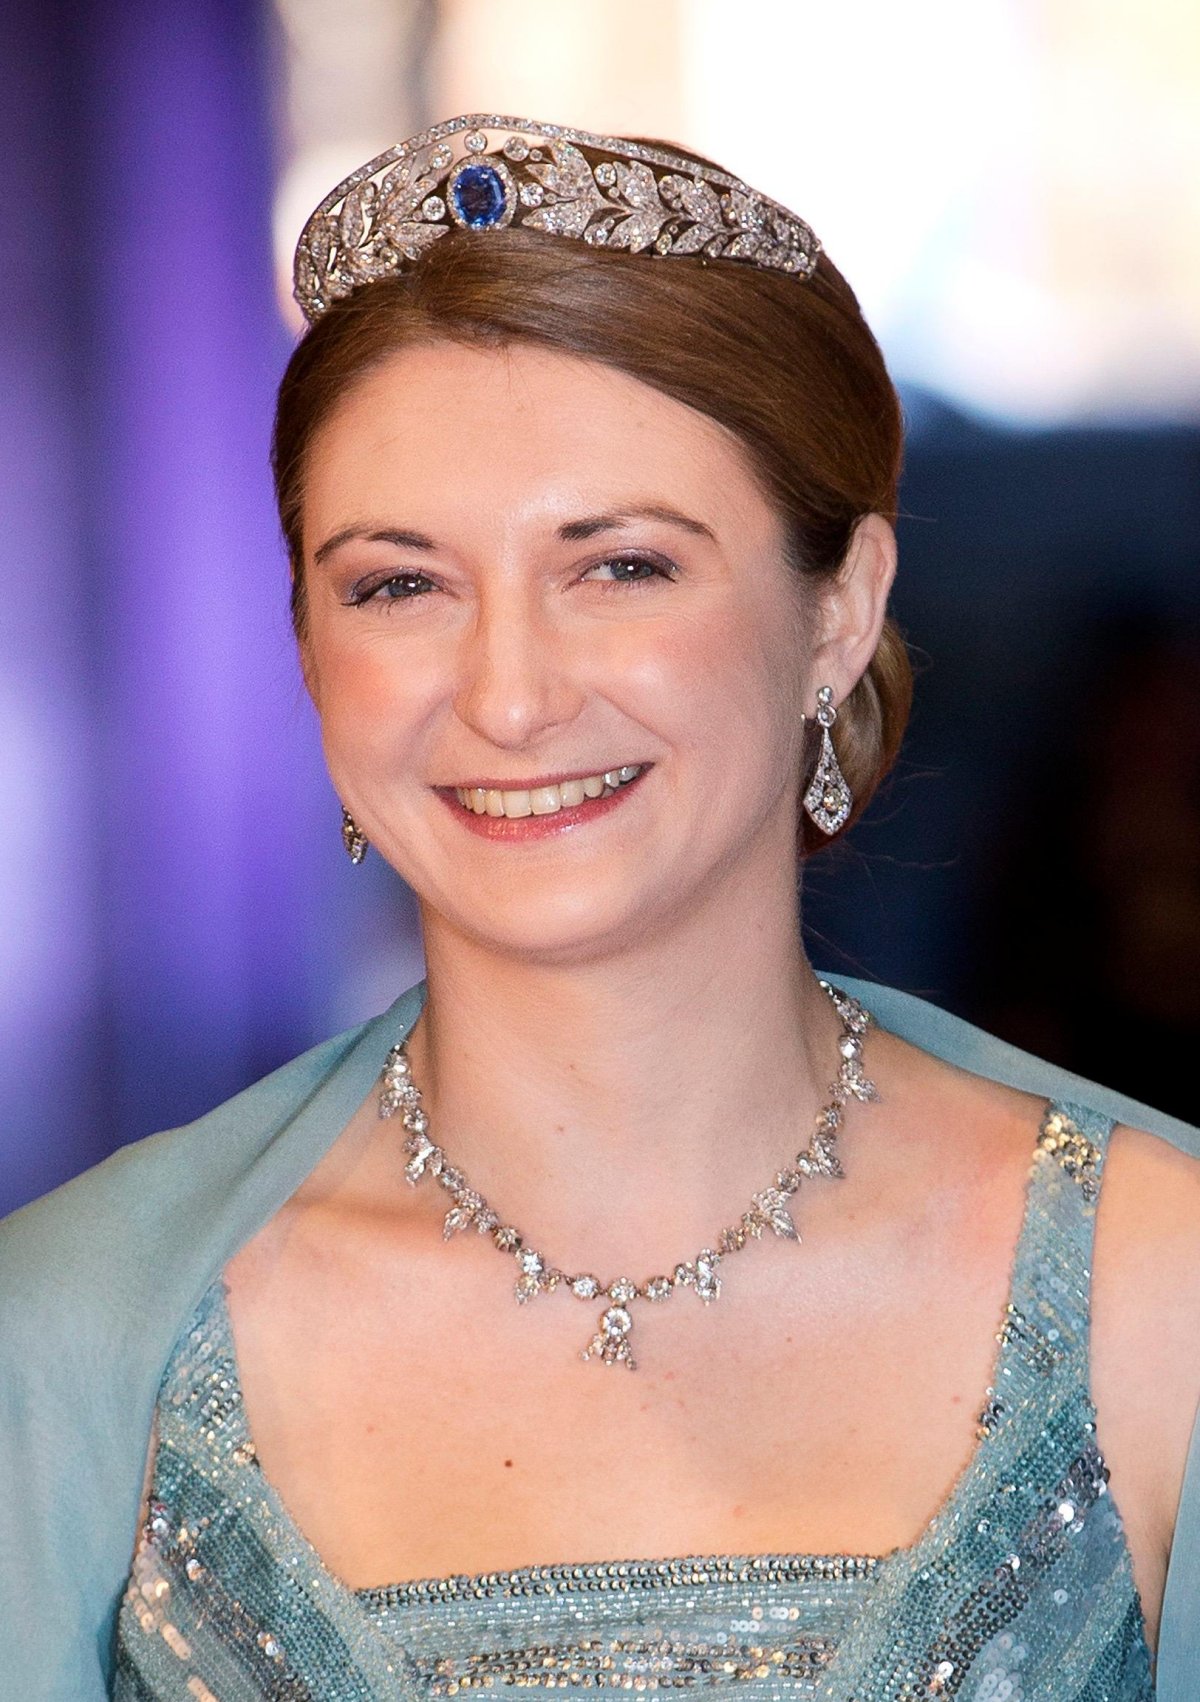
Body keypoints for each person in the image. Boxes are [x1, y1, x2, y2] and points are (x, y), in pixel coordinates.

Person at [1, 115, 1197, 1702]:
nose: (507, 695)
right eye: (398, 584)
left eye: (621, 566)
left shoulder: (1162, 1290)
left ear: (838, 610)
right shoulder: (78, 1336)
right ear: (305, 645)